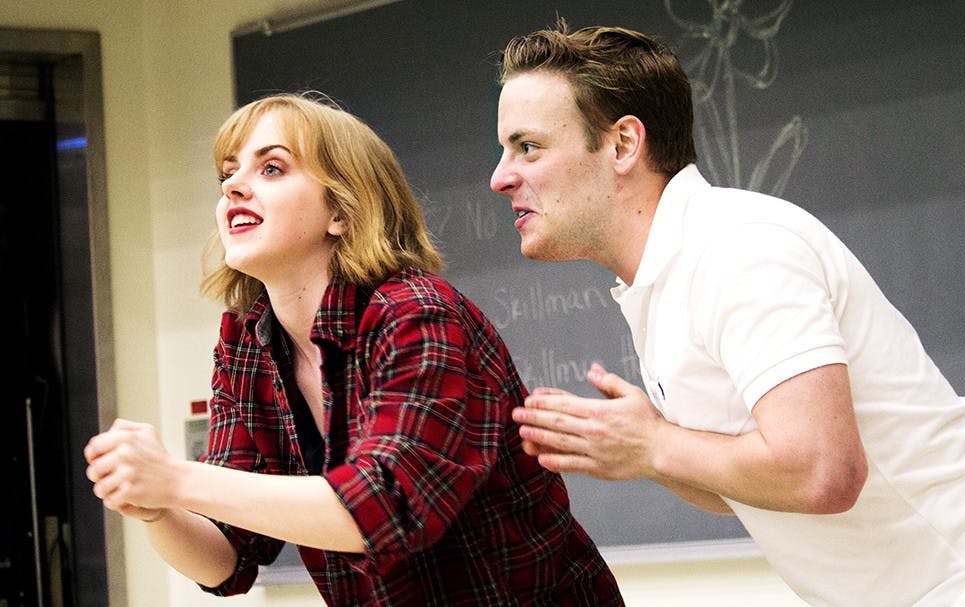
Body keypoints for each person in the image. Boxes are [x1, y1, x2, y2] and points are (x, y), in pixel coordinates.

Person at [490, 21, 965, 607]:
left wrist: (654, 445)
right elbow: (745, 487)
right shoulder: (664, 274)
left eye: (528, 147)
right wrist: (643, 450)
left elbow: (822, 472)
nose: (500, 177)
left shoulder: (736, 248)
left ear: (624, 144)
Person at [84, 93, 624, 607]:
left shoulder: (416, 314)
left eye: (271, 168)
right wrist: (157, 508)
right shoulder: (248, 341)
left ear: (340, 211)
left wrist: (176, 478)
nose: (233, 189)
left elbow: (385, 508)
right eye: (228, 174)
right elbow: (227, 559)